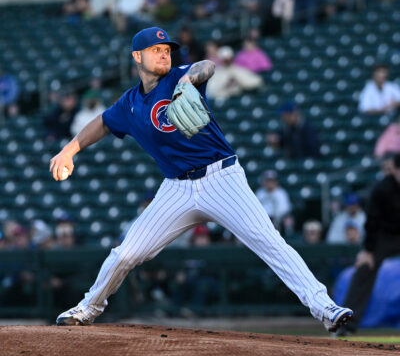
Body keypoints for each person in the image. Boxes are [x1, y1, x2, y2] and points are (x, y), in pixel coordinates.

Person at [50, 26, 352, 332]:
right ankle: (88, 307)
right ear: (137, 57)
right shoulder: (129, 103)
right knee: (125, 253)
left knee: (269, 241)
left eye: (167, 49)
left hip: (221, 178)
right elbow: (102, 122)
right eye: (156, 51)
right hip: (176, 189)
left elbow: (206, 66)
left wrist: (186, 80)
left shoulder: (179, 76)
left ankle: (325, 307)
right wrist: (69, 150)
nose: (164, 54)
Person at [336, 153, 400, 336]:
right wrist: (368, 251)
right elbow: (372, 222)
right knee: (364, 268)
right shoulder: (381, 189)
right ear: (394, 170)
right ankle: (345, 324)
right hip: (384, 238)